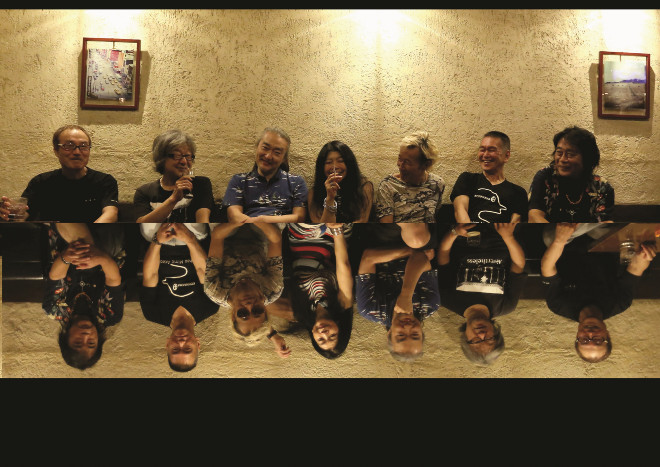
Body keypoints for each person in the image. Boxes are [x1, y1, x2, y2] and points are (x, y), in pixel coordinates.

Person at [540, 223, 656, 363]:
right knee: (611, 231)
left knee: (549, 238)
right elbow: (636, 269)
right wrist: (644, 256)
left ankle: (594, 219)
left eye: (584, 340)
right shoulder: (620, 303)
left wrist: (559, 241)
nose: (590, 334)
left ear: (577, 337)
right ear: (607, 335)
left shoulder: (558, 305)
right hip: (604, 242)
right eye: (598, 340)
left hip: (566, 244)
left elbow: (547, 268)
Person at [436, 223, 527, 365]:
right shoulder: (506, 306)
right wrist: (508, 237)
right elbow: (518, 265)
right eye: (489, 339)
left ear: (466, 338)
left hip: (462, 235)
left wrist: (454, 232)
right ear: (496, 334)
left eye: (476, 340)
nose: (482, 334)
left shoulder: (448, 300)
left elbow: (443, 257)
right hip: (502, 234)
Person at [42, 223, 124, 369]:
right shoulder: (109, 315)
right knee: (91, 245)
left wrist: (66, 258)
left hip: (66, 249)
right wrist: (102, 259)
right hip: (107, 252)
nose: (86, 335)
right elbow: (113, 279)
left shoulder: (54, 310)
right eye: (91, 343)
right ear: (98, 340)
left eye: (78, 342)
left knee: (80, 246)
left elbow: (56, 276)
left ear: (66, 338)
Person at [140, 223, 219, 372]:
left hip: (158, 242)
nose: (181, 343)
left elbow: (151, 275)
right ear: (198, 344)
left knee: (151, 220)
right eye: (187, 349)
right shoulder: (210, 308)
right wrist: (189, 239)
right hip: (194, 239)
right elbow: (202, 270)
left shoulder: (152, 313)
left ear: (167, 345)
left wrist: (157, 240)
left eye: (175, 349)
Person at [204, 222, 291, 358]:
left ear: (233, 315)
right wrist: (255, 216)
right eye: (257, 311)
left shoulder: (216, 291)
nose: (249, 305)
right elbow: (275, 238)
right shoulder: (273, 289)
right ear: (265, 310)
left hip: (227, 236)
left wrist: (240, 220)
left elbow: (217, 235)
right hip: (260, 237)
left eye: (243, 314)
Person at [355, 224, 440, 362]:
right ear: (422, 332)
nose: (408, 327)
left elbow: (368, 258)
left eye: (401, 335)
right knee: (418, 238)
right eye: (415, 335)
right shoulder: (429, 305)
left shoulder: (370, 309)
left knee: (415, 239)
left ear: (389, 333)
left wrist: (411, 253)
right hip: (417, 240)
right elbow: (421, 257)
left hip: (380, 240)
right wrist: (406, 294)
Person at [1, 125, 119, 222]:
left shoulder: (104, 181)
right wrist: (13, 214)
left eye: (84, 146)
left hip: (91, 239)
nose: (77, 152)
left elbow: (111, 213)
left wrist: (86, 234)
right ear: (56, 151)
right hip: (49, 239)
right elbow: (24, 215)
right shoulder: (41, 182)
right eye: (69, 146)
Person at [287, 223, 354, 359]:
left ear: (313, 336)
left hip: (301, 242)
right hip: (334, 240)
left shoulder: (300, 312)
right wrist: (337, 230)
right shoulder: (343, 303)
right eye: (332, 335)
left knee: (307, 222)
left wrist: (272, 335)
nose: (324, 333)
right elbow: (343, 264)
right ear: (340, 328)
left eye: (321, 339)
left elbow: (266, 305)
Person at [528, 126, 614, 223]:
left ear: (587, 158)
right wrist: (558, 232)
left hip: (590, 234)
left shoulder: (601, 186)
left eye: (570, 154)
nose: (562, 159)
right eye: (559, 153)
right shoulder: (545, 177)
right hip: (549, 233)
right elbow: (534, 217)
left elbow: (606, 225)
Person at [223, 127, 307, 224]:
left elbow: (299, 217)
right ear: (256, 147)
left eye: (277, 153)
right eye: (265, 148)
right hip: (247, 230)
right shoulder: (239, 181)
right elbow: (233, 216)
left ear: (284, 158)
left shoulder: (296, 182)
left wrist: (263, 220)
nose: (268, 156)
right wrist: (258, 224)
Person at [376, 131, 445, 249]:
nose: (400, 165)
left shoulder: (437, 184)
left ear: (425, 164)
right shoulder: (388, 186)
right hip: (399, 243)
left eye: (407, 162)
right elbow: (387, 227)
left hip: (428, 240)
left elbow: (434, 216)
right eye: (399, 159)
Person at [134, 130, 215, 223]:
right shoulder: (144, 192)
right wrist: (173, 199)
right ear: (161, 158)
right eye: (177, 155)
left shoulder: (200, 184)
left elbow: (203, 223)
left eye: (188, 156)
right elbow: (141, 225)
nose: (184, 161)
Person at [451, 131, 527, 223]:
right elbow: (460, 212)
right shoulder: (468, 179)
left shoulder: (518, 192)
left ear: (506, 156)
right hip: (469, 231)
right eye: (482, 150)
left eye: (491, 150)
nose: (485, 155)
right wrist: (471, 231)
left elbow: (514, 224)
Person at [307, 140, 373, 223]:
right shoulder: (313, 193)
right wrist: (330, 198)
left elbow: (362, 221)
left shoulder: (364, 187)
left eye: (340, 161)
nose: (335, 167)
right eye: (328, 162)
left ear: (349, 163)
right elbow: (322, 226)